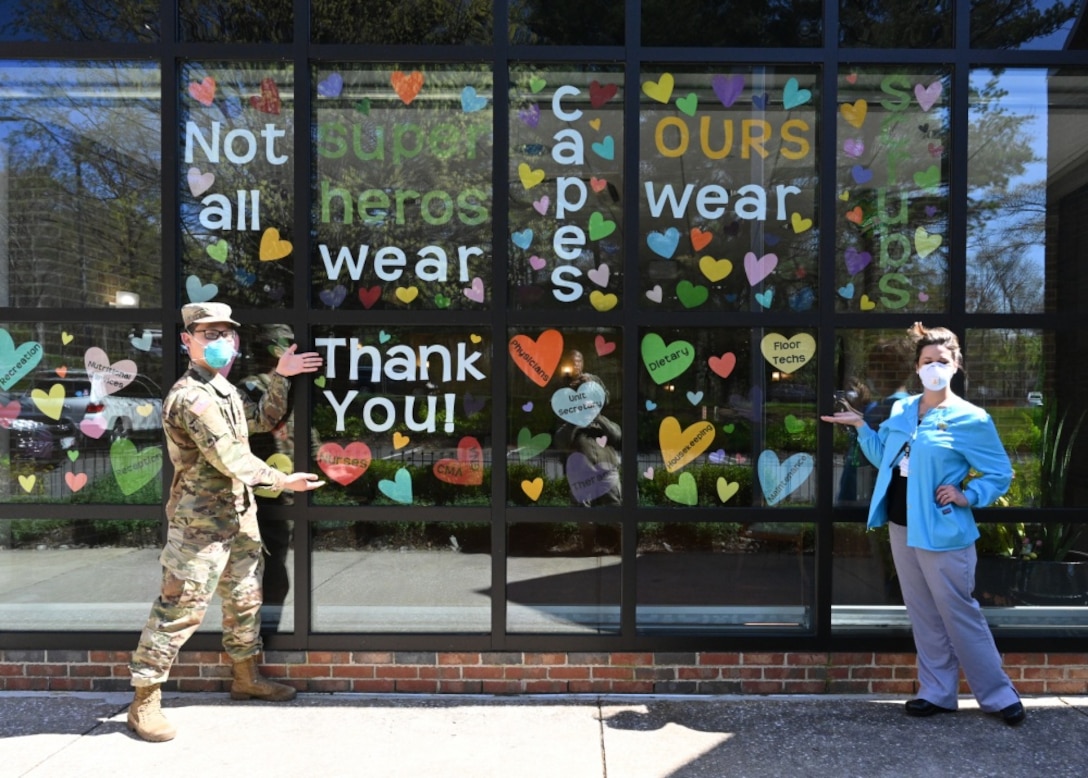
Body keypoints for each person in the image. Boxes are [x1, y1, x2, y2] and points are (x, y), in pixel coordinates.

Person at [127, 303, 326, 742]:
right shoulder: (191, 398)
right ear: (187, 341)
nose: (221, 342)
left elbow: (261, 421)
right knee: (179, 610)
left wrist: (281, 375)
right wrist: (282, 479)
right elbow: (230, 457)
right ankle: (144, 700)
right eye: (209, 334)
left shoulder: (223, 389)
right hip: (199, 527)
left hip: (238, 517)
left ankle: (245, 677)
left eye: (227, 334)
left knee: (245, 601)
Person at [821, 322, 1025, 726]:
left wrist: (967, 495)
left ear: (956, 366)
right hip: (902, 526)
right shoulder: (902, 409)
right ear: (917, 368)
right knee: (923, 613)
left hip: (944, 531)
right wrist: (862, 426)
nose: (934, 367)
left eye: (942, 361)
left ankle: (999, 695)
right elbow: (886, 458)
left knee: (959, 612)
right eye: (927, 361)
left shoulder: (972, 418)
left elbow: (999, 473)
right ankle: (936, 692)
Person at [554, 349, 621, 507]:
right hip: (580, 469)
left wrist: (590, 383)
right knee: (583, 510)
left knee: (614, 506)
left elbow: (606, 398)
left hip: (606, 465)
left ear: (582, 364)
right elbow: (560, 439)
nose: (575, 365)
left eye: (578, 361)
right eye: (572, 362)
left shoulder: (592, 381)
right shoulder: (562, 387)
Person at [834, 377, 880, 503]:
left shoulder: (872, 407)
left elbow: (867, 422)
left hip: (868, 452)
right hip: (854, 453)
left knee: (870, 482)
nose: (849, 394)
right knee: (848, 481)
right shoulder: (851, 407)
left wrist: (849, 408)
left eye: (851, 390)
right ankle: (845, 507)